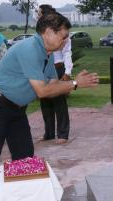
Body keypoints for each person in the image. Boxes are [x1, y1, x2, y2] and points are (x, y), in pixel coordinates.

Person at [0, 12, 99, 164]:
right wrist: (75, 84)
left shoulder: (47, 54)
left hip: (17, 110)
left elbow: (53, 86)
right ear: (49, 32)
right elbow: (42, 91)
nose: (66, 40)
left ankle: (23, 188)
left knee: (25, 159)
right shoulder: (30, 48)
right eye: (63, 36)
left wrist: (73, 84)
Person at [37, 5, 73, 144]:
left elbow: (67, 52)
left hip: (57, 68)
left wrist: (68, 71)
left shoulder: (62, 32)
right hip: (43, 69)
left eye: (39, 14)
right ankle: (49, 133)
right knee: (45, 102)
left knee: (59, 103)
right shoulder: (40, 33)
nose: (37, 16)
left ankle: (63, 134)